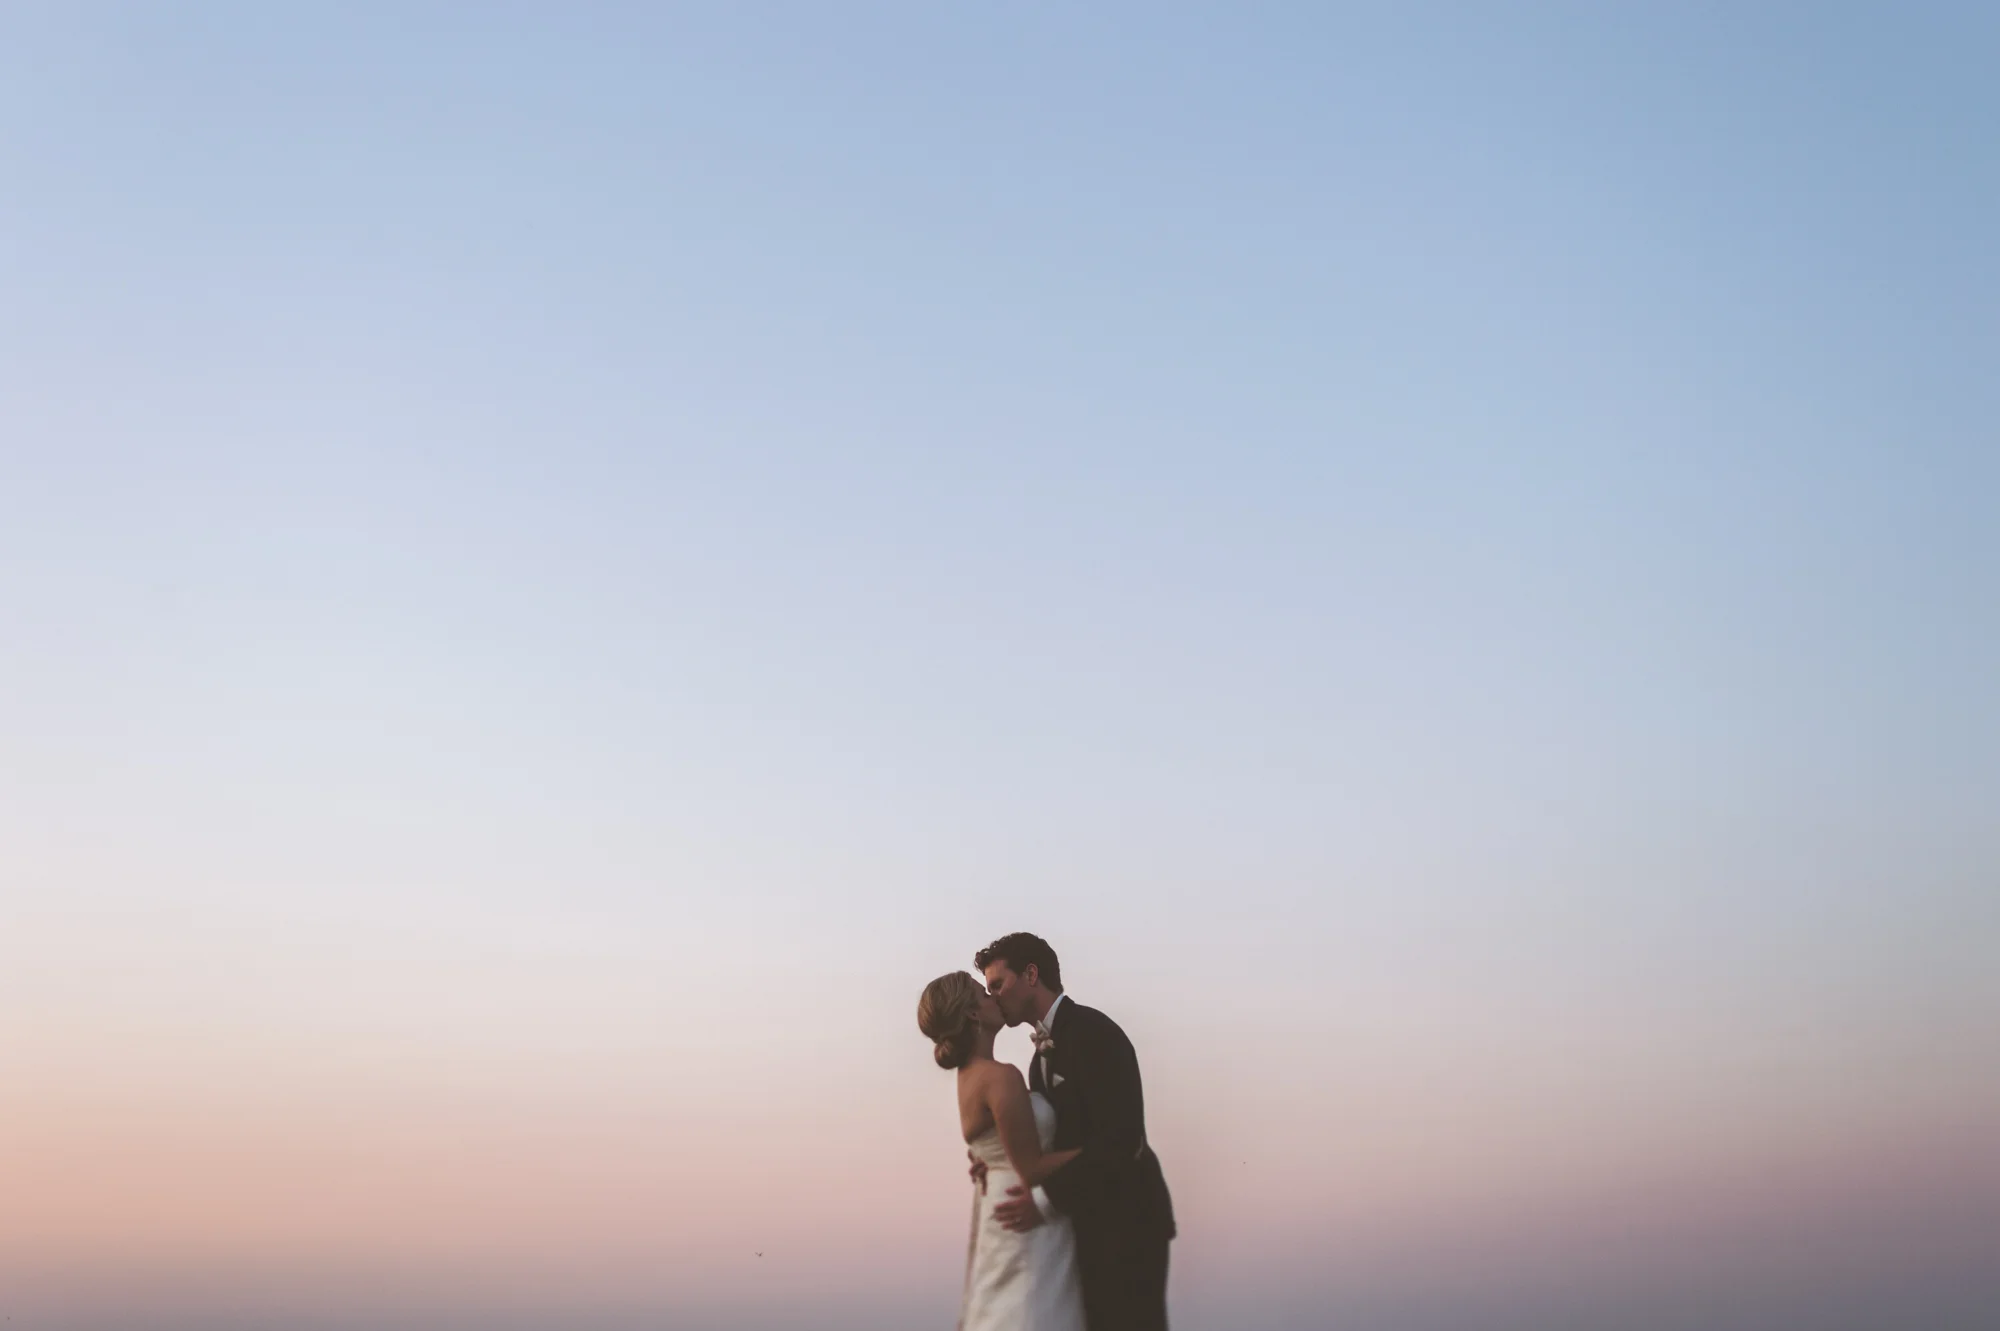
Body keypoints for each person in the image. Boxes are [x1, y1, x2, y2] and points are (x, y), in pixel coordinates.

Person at [976, 933, 1174, 1331]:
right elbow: (1048, 1143)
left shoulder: (1095, 1032)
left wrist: (1045, 1202)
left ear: (1031, 974)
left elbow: (1121, 1141)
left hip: (1128, 1225)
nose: (992, 997)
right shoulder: (1036, 1063)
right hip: (1083, 1230)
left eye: (997, 984)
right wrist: (993, 1155)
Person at [918, 969, 1086, 1331]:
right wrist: (1099, 1151)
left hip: (1001, 1208)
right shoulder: (1000, 1077)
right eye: (985, 994)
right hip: (1025, 1212)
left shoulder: (969, 1077)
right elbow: (1032, 1168)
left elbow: (992, 1146)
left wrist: (986, 1162)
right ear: (974, 1014)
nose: (995, 998)